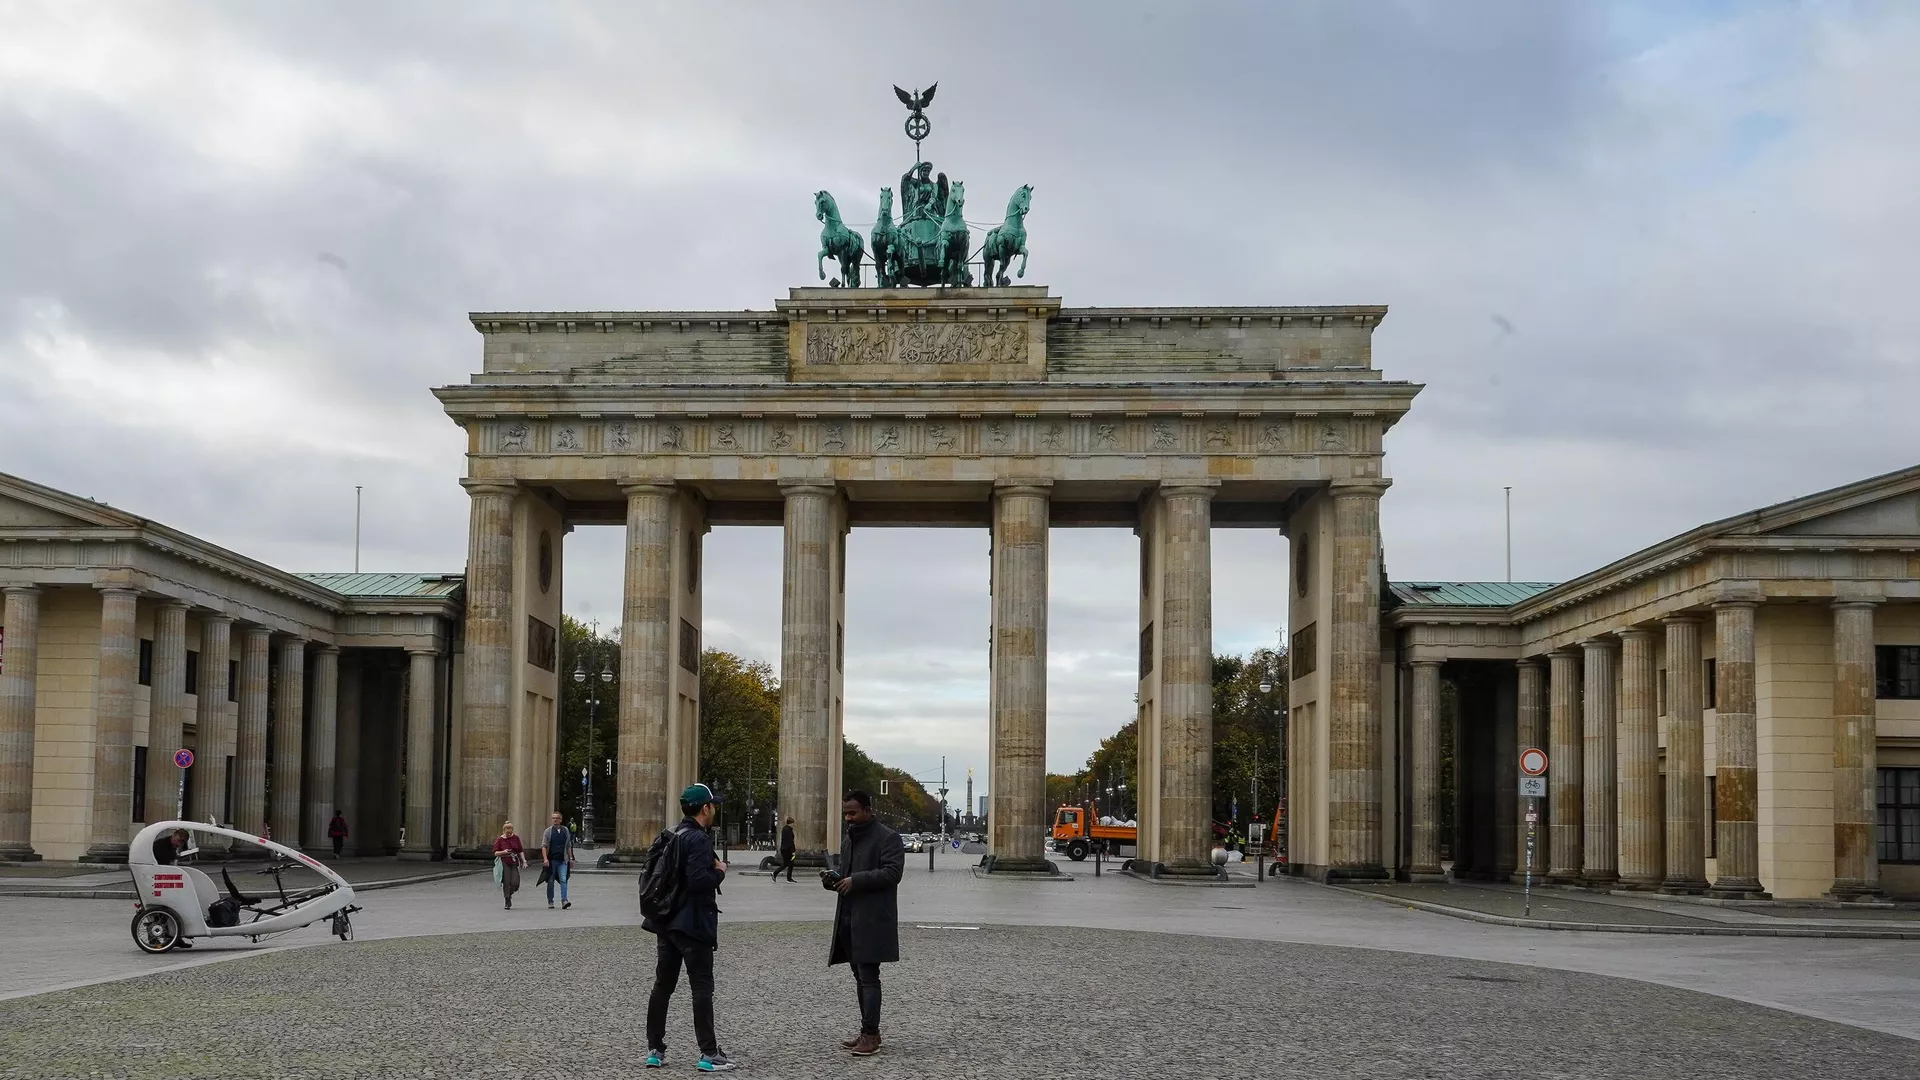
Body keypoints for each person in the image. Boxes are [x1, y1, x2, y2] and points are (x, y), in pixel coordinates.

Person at [642, 783, 736, 1072]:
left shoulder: (670, 834)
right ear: (705, 808)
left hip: (666, 921)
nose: (715, 808)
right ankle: (709, 1053)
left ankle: (654, 1050)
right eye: (713, 804)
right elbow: (698, 882)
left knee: (663, 985)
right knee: (701, 987)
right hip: (692, 923)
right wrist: (719, 873)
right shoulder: (698, 839)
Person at [828, 789, 904, 1056]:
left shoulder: (888, 837)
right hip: (849, 916)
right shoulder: (849, 840)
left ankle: (870, 1035)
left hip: (872, 918)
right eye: (845, 813)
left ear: (868, 810)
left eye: (853, 812)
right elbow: (847, 874)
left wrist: (855, 881)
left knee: (869, 977)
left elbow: (893, 873)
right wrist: (835, 880)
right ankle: (867, 1030)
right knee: (859, 976)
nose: (848, 818)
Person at [541, 810, 574, 909]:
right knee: (550, 881)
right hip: (551, 860)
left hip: (562, 860)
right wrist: (545, 859)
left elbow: (568, 845)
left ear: (561, 820)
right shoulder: (548, 831)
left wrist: (570, 858)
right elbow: (544, 846)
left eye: (557, 818)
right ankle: (550, 901)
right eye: (553, 818)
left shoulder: (565, 830)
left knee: (563, 879)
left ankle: (564, 900)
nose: (555, 820)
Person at [492, 821, 525, 910]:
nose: (509, 834)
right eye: (507, 832)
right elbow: (495, 852)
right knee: (506, 881)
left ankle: (509, 894)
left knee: (515, 882)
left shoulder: (516, 838)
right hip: (504, 861)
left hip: (514, 861)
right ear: (504, 830)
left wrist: (524, 861)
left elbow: (520, 850)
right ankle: (507, 900)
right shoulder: (500, 840)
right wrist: (503, 852)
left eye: (510, 832)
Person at [770, 816, 796, 883]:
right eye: (793, 823)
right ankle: (776, 874)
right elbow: (790, 841)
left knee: (789, 864)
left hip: (784, 849)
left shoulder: (785, 829)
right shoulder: (788, 830)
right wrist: (793, 851)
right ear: (790, 823)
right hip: (788, 850)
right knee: (787, 863)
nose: (794, 825)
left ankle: (788, 878)